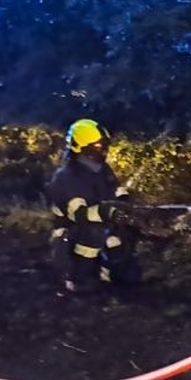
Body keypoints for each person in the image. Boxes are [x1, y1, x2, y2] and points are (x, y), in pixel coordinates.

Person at [46, 119, 142, 293]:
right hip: (72, 236)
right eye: (97, 146)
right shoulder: (66, 177)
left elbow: (116, 191)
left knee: (121, 241)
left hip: (100, 225)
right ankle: (78, 278)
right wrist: (108, 212)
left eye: (104, 145)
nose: (103, 150)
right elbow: (80, 215)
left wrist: (126, 205)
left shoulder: (101, 169)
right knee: (92, 232)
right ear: (80, 148)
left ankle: (109, 273)